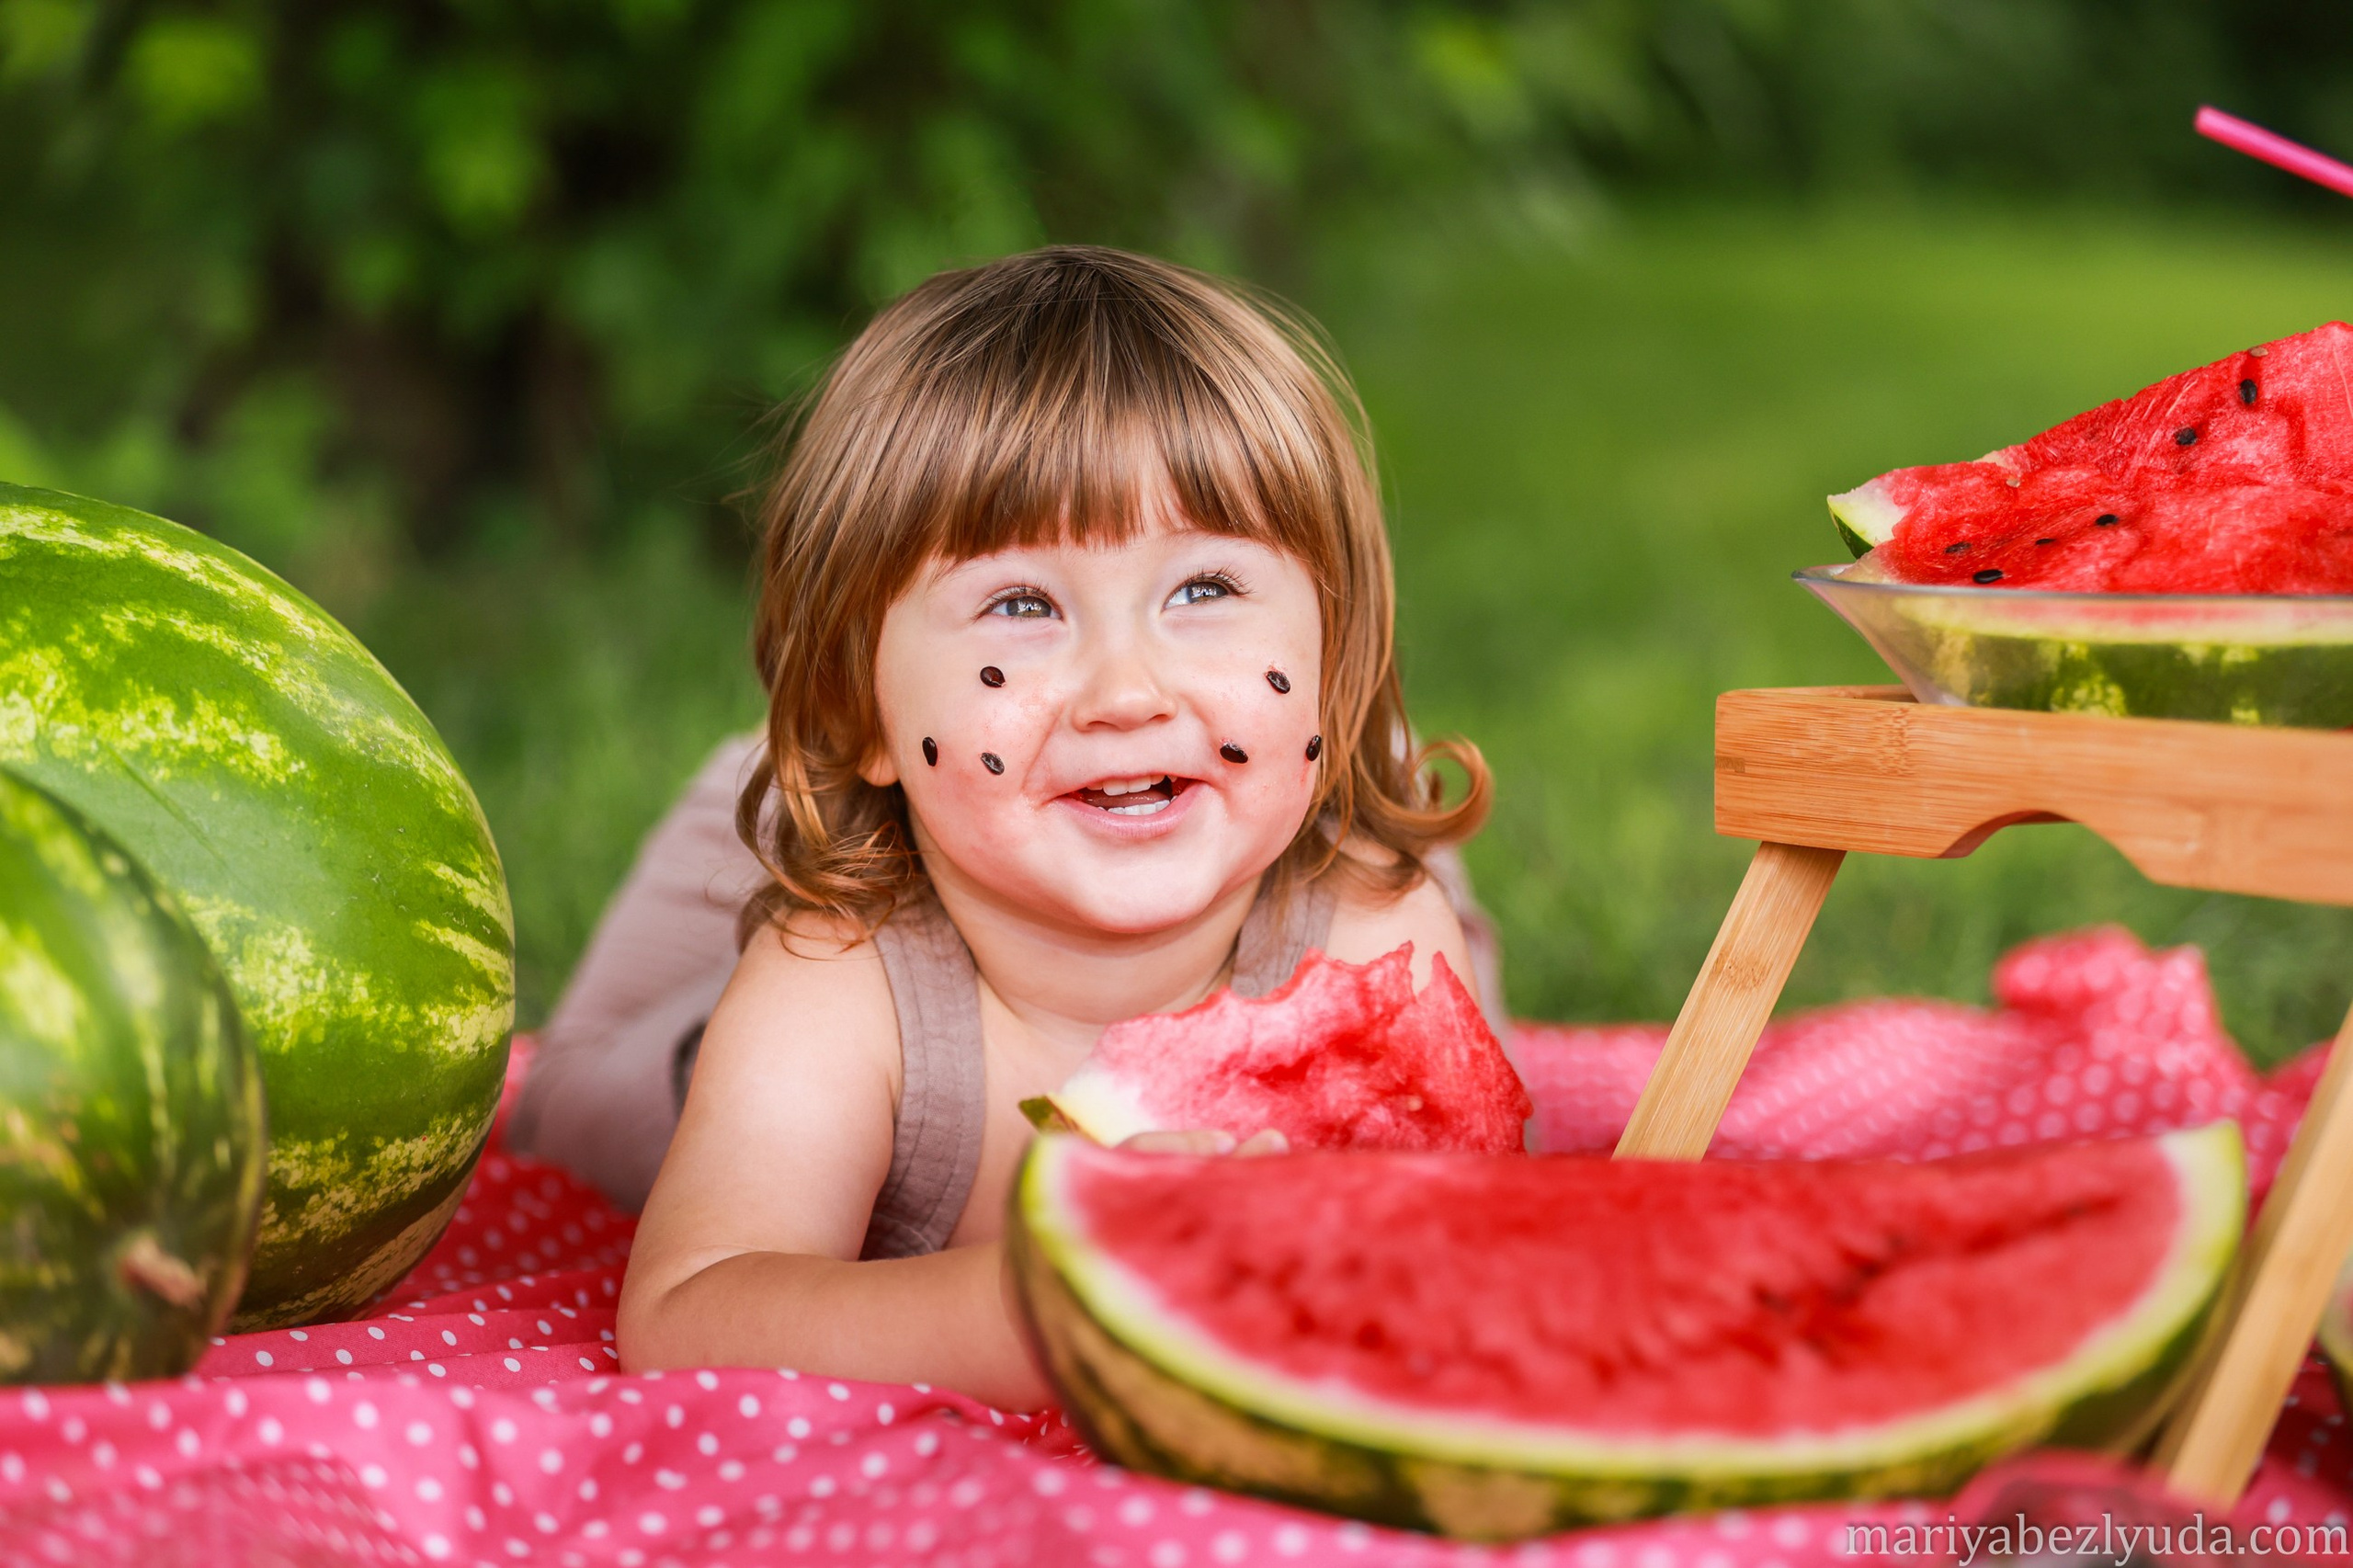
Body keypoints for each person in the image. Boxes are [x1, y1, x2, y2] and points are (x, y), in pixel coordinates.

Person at [527, 246, 1495, 1410]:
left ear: (1336, 644)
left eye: (1203, 589)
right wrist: (1032, 1308)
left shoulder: (1371, 935)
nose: (1127, 687)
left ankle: (1347, 754)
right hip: (794, 936)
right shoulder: (837, 972)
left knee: (1389, 848)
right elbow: (686, 1313)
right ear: (864, 710)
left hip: (1260, 812)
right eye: (1022, 606)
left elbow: (1459, 1271)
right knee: (576, 1108)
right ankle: (787, 763)